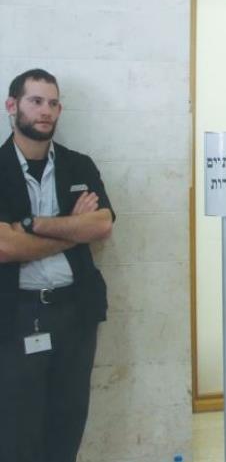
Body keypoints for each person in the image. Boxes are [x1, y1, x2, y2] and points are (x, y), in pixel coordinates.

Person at [0, 69, 114, 462]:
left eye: (53, 103)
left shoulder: (79, 166)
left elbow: (101, 224)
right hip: (14, 317)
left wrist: (33, 226)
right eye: (35, 101)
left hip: (74, 313)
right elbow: (3, 246)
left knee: (67, 423)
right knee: (17, 431)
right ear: (12, 106)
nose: (45, 111)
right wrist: (72, 230)